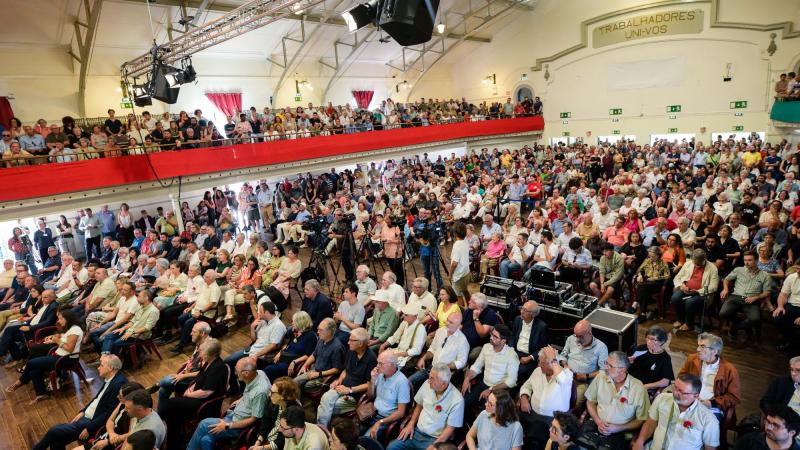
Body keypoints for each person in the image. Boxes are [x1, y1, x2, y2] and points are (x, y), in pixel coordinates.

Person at [29, 354, 127, 450]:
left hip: (91, 422)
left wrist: (89, 428)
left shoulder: (118, 384)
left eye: (101, 365)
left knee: (54, 431)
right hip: (87, 417)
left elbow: (109, 413)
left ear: (110, 368)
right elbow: (97, 399)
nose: (98, 368)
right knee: (57, 439)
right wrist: (83, 411)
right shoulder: (112, 378)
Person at [187, 357, 270, 450]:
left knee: (204, 424)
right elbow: (251, 393)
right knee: (206, 440)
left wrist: (227, 425)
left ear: (246, 373)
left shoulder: (260, 392)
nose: (235, 373)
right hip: (234, 415)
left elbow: (254, 419)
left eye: (236, 371)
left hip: (238, 426)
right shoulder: (259, 373)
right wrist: (241, 399)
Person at [632, 373, 720, 450]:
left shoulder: (708, 419)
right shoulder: (662, 398)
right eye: (675, 387)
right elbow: (650, 423)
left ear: (696, 396)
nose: (675, 392)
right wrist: (640, 441)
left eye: (681, 391)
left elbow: (710, 448)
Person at [388, 364, 464, 450]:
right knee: (392, 448)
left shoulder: (457, 400)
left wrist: (434, 445)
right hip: (416, 432)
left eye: (432, 378)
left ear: (443, 383)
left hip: (434, 439)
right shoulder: (427, 385)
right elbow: (419, 406)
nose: (428, 381)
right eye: (429, 376)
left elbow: (450, 429)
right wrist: (411, 423)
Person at [583, 351, 650, 448]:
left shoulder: (638, 388)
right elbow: (590, 401)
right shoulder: (601, 377)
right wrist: (598, 421)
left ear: (622, 370)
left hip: (621, 432)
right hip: (595, 424)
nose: (606, 367)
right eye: (606, 363)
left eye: (610, 365)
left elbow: (641, 419)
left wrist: (618, 428)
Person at [317, 327, 377, 427]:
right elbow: (345, 370)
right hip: (342, 387)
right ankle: (323, 428)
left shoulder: (371, 359)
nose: (348, 342)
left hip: (354, 394)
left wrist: (350, 390)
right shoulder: (351, 351)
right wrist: (338, 380)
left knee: (329, 406)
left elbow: (369, 384)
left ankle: (323, 428)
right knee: (325, 398)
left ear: (361, 343)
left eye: (351, 340)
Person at [518, 346, 573, 450]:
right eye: (539, 362)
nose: (539, 365)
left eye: (542, 363)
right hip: (531, 414)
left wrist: (553, 359)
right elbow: (527, 386)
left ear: (551, 363)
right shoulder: (538, 371)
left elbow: (563, 380)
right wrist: (524, 398)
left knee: (534, 440)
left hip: (551, 420)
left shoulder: (567, 374)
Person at [678, 333, 741, 423]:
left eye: (702, 346)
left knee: (696, 426)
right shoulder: (692, 359)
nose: (698, 349)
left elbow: (734, 397)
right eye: (698, 345)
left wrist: (711, 403)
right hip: (689, 400)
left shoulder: (729, 370)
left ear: (715, 351)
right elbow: (681, 377)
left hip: (712, 407)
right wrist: (688, 394)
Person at [461, 324, 519, 419]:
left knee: (484, 415)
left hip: (499, 391)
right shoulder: (486, 347)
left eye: (495, 336)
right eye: (491, 334)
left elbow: (511, 381)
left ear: (503, 341)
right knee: (461, 404)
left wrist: (491, 389)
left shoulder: (511, 355)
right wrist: (467, 378)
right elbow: (477, 366)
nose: (491, 337)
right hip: (483, 384)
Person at [226, 300, 286, 392]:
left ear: (266, 312)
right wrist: (252, 328)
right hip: (251, 350)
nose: (258, 313)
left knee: (242, 370)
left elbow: (273, 345)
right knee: (228, 361)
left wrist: (256, 355)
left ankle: (244, 391)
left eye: (260, 311)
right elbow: (254, 339)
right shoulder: (263, 322)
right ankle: (234, 388)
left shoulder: (278, 325)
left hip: (260, 355)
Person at [719, 251, 772, 341]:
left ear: (756, 260)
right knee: (723, 313)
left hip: (752, 299)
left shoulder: (765, 275)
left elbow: (767, 292)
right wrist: (725, 289)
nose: (746, 262)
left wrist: (756, 297)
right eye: (745, 260)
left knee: (755, 319)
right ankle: (741, 323)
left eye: (749, 260)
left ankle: (734, 328)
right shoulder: (738, 270)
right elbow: (726, 279)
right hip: (736, 296)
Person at [409, 311, 469, 390]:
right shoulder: (440, 331)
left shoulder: (462, 341)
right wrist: (423, 358)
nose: (447, 323)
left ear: (458, 326)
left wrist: (445, 367)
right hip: (431, 368)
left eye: (451, 322)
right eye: (447, 320)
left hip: (444, 375)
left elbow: (461, 362)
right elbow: (432, 349)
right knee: (408, 382)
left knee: (427, 392)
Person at [362, 350, 411, 440]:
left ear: (392, 365)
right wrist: (372, 380)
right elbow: (370, 397)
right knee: (351, 433)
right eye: (377, 363)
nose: (377, 366)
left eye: (381, 364)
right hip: (371, 413)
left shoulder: (402, 382)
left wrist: (380, 422)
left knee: (365, 440)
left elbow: (401, 412)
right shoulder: (380, 374)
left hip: (386, 419)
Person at [559, 319, 608, 405]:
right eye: (576, 335)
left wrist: (586, 376)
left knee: (573, 402)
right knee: (553, 395)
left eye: (580, 336)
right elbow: (562, 355)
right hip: (566, 376)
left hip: (583, 382)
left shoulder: (601, 347)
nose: (577, 339)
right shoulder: (571, 339)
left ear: (589, 333)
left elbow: (604, 371)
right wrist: (565, 365)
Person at [671, 249, 719, 333]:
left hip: (702, 294)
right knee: (675, 298)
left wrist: (698, 291)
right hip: (686, 289)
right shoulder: (688, 263)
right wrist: (681, 286)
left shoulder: (712, 268)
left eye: (698, 264)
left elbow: (713, 286)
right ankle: (680, 319)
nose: (696, 265)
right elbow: (678, 277)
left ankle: (689, 324)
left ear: (704, 259)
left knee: (690, 302)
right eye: (695, 263)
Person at [250, 376, 303, 450]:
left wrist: (262, 448)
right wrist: (258, 441)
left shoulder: (294, 413)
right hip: (266, 440)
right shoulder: (273, 402)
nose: (269, 395)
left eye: (272, 392)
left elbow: (283, 440)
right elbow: (265, 423)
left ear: (283, 395)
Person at [264, 311, 318, 381]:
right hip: (285, 356)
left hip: (293, 362)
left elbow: (309, 355)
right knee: (264, 362)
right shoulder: (294, 330)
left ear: (301, 323)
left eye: (294, 321)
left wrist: (294, 362)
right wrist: (280, 352)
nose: (292, 323)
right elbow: (287, 344)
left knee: (269, 370)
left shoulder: (311, 336)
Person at [510, 300, 549, 383]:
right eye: (522, 308)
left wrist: (530, 357)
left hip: (528, 356)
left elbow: (544, 348)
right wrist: (511, 350)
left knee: (519, 371)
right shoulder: (517, 320)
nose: (521, 311)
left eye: (525, 310)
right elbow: (512, 337)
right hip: (515, 352)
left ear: (533, 314)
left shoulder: (541, 327)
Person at [628, 326, 674, 394]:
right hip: (631, 381)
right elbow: (630, 367)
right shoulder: (641, 348)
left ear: (662, 341)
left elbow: (665, 381)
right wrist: (629, 362)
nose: (648, 342)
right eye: (647, 338)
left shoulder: (665, 358)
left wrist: (647, 386)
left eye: (653, 339)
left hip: (645, 386)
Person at [379, 303, 426, 368]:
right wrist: (383, 345)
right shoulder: (404, 323)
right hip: (398, 351)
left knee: (386, 364)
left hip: (409, 356)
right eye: (404, 314)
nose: (403, 316)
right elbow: (395, 337)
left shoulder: (421, 329)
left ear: (415, 316)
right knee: (381, 359)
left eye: (406, 315)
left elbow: (417, 350)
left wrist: (399, 354)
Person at [733, 405, 800, 450]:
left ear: (792, 432)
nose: (768, 427)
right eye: (767, 421)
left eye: (775, 426)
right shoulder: (749, 441)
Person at [590, 243, 624, 308]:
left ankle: (598, 304)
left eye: (606, 251)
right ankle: (604, 302)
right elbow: (602, 272)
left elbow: (617, 276)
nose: (604, 253)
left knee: (610, 290)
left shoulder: (619, 259)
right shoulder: (603, 258)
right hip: (606, 276)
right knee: (592, 285)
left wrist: (604, 284)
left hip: (615, 278)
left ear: (612, 251)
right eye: (603, 251)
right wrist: (602, 283)